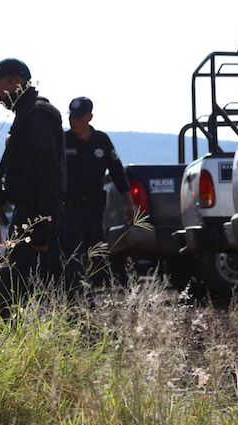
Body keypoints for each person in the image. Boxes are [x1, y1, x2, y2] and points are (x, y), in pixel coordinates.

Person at [0, 58, 66, 320]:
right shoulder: (28, 115)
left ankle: (16, 343)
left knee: (12, 287)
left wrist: (40, 225)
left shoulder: (36, 115)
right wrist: (4, 194)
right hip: (32, 212)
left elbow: (48, 171)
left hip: (37, 215)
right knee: (33, 287)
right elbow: (29, 172)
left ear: (16, 81)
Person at [62, 97, 136, 300]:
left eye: (78, 117)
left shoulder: (101, 141)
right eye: (71, 116)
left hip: (95, 211)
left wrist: (129, 203)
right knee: (75, 254)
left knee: (98, 254)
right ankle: (79, 300)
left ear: (89, 117)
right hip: (70, 210)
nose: (73, 121)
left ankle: (100, 295)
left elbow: (118, 173)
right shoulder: (63, 140)